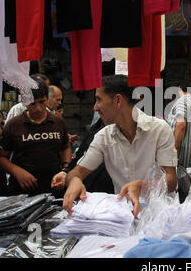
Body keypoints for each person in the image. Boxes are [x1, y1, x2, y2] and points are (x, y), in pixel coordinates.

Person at [61, 75, 177, 216]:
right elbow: (76, 172)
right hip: (123, 218)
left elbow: (171, 181)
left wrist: (140, 186)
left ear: (117, 100)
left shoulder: (159, 129)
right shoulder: (104, 137)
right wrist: (74, 181)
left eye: (98, 100)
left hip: (160, 215)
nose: (95, 107)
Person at [0, 78, 71, 197]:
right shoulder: (13, 125)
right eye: (32, 104)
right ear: (24, 102)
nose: (38, 108)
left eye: (42, 102)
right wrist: (18, 172)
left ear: (47, 99)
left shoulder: (58, 122)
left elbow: (65, 146)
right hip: (22, 192)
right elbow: (0, 157)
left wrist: (65, 169)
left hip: (53, 189)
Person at [167, 80, 191, 202]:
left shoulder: (182, 101)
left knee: (179, 194)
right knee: (187, 191)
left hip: (180, 156)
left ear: (180, 90)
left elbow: (181, 124)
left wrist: (173, 148)